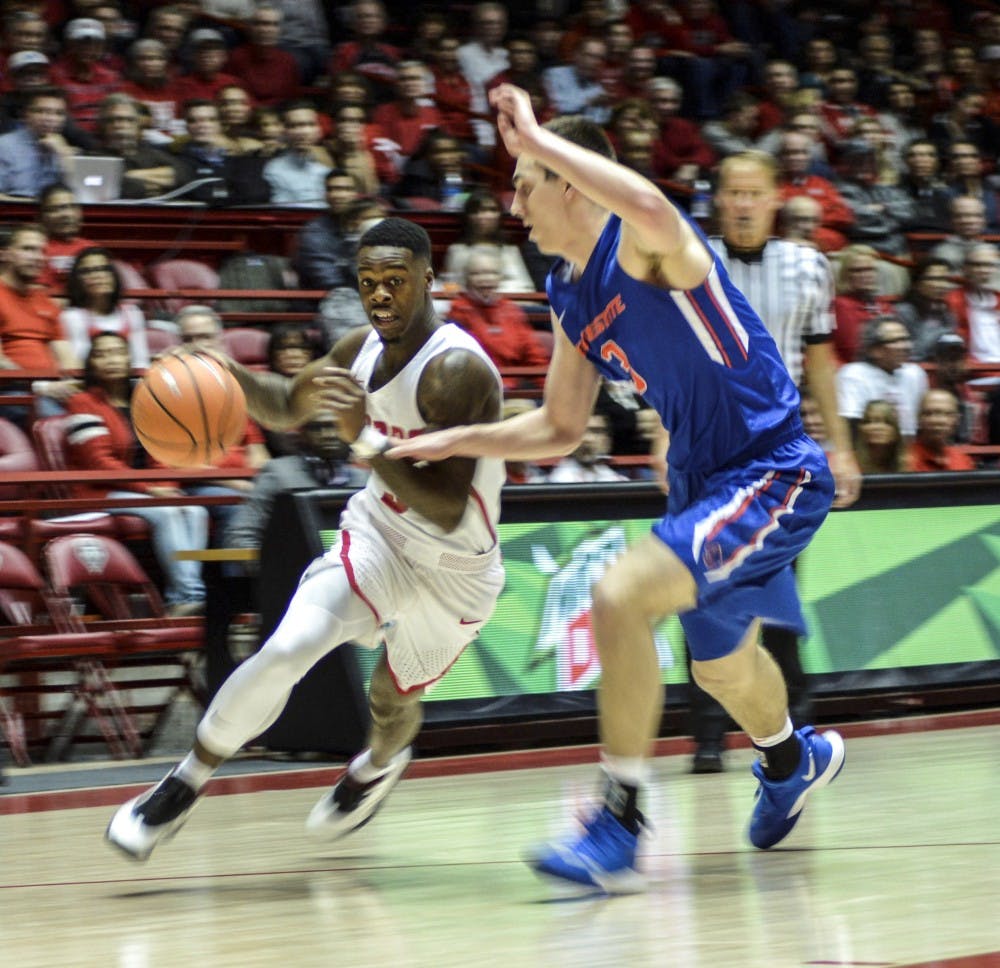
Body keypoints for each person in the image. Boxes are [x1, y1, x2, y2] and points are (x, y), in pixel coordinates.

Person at [390, 84, 849, 892]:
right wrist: (459, 440)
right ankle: (792, 758)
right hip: (704, 487)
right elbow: (560, 426)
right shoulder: (571, 293)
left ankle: (620, 825)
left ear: (573, 180)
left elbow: (641, 195)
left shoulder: (645, 244)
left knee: (616, 595)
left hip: (772, 467)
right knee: (721, 671)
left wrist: (535, 130)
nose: (513, 199)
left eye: (526, 180)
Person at [105, 217, 506, 863]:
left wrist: (362, 438)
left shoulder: (455, 370)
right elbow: (286, 405)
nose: (380, 296)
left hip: (456, 564)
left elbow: (446, 506)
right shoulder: (358, 350)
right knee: (287, 648)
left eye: (396, 282)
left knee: (391, 698)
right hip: (377, 533)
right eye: (368, 282)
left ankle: (379, 763)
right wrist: (220, 372)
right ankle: (183, 784)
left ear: (429, 281)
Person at [692, 149, 860, 773]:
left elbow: (819, 360)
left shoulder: (809, 266)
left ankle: (794, 732)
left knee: (779, 594)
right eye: (730, 192)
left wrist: (839, 444)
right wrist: (661, 433)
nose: (741, 203)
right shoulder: (691, 259)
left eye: (752, 192)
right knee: (705, 589)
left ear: (774, 199)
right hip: (707, 447)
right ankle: (709, 733)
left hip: (781, 451)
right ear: (718, 200)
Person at [64, 331, 208, 614]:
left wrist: (166, 485)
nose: (111, 359)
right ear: (90, 363)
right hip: (100, 491)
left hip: (143, 490)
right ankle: (188, 597)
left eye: (117, 352)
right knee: (167, 512)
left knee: (196, 511)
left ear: (129, 357)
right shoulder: (82, 403)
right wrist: (150, 489)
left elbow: (162, 455)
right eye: (101, 354)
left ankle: (184, 597)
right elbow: (99, 463)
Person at [225, 413, 368, 566]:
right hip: (295, 580)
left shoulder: (365, 481)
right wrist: (274, 576)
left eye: (337, 427)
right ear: (301, 435)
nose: (328, 435)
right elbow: (241, 535)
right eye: (317, 428)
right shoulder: (279, 474)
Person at [836, 316, 929, 442]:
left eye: (906, 339)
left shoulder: (915, 373)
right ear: (874, 350)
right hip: (867, 448)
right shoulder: (853, 374)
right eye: (896, 341)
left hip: (908, 448)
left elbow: (922, 421)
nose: (906, 346)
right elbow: (851, 424)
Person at [59, 246, 151, 368]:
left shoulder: (132, 313)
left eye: (103, 269)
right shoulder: (72, 317)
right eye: (87, 271)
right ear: (77, 280)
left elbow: (140, 361)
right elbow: (80, 365)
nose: (97, 275)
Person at [906, 388, 976, 471]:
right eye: (929, 413)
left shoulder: (963, 460)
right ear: (918, 419)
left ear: (957, 420)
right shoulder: (904, 460)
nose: (939, 421)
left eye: (947, 414)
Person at [547, 412, 627, 483]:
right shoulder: (559, 480)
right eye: (581, 431)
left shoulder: (619, 481)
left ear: (607, 440)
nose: (588, 439)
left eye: (596, 432)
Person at [854, 398, 907, 474]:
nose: (875, 427)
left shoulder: (910, 463)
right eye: (868, 421)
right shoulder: (847, 463)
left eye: (885, 422)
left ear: (895, 431)